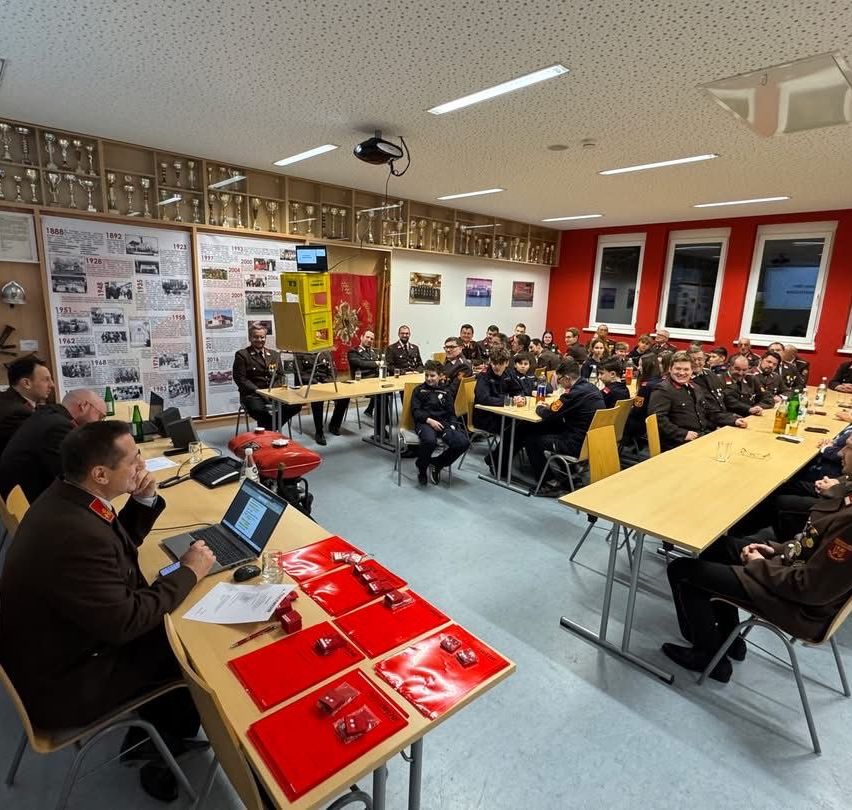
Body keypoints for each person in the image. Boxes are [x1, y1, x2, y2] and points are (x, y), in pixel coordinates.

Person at [0, 421, 216, 800]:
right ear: (100, 474)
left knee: (166, 620)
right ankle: (158, 753)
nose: (142, 465)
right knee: (188, 654)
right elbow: (126, 621)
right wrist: (189, 572)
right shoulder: (75, 534)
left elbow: (113, 546)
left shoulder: (67, 497)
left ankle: (159, 728)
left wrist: (144, 501)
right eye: (133, 460)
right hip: (64, 686)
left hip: (54, 651)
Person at [662, 436, 852, 683]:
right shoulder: (847, 492)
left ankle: (708, 657)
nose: (840, 453)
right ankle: (730, 640)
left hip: (800, 606)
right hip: (791, 570)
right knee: (716, 549)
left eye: (849, 448)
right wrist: (774, 549)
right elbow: (809, 544)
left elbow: (809, 588)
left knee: (682, 571)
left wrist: (758, 564)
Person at [0, 388, 106, 501]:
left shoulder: (49, 416)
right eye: (100, 416)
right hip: (31, 502)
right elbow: (74, 475)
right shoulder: (58, 427)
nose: (100, 423)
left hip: (24, 493)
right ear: (83, 406)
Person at [520, 359, 605, 494]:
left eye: (559, 379)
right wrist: (552, 408)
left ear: (567, 378)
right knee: (554, 426)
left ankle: (549, 483)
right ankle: (571, 475)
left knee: (532, 440)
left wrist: (539, 407)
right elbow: (560, 409)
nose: (559, 383)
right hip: (591, 440)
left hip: (576, 444)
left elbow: (548, 414)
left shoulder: (573, 394)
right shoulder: (591, 387)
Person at [649, 351, 746, 451]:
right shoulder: (663, 390)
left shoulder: (695, 387)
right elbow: (657, 419)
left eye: (686, 369)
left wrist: (733, 420)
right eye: (678, 369)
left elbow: (710, 412)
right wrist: (683, 434)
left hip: (702, 437)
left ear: (692, 371)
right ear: (670, 369)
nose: (682, 373)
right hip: (678, 444)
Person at [411, 361, 470, 485]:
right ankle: (422, 468)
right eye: (427, 375)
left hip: (443, 423)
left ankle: (438, 463)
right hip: (425, 423)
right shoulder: (418, 390)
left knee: (463, 442)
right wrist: (429, 420)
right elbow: (416, 412)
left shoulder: (446, 391)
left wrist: (452, 426)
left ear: (440, 376)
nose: (429, 378)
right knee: (429, 441)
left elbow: (451, 413)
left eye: (432, 376)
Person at [233, 326, 299, 431]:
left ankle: (269, 430)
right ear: (250, 338)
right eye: (256, 337)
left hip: (273, 393)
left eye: (262, 337)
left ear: (265, 338)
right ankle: (272, 431)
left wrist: (273, 390)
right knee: (260, 411)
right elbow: (240, 379)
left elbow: (281, 375)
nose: (259, 340)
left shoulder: (274, 354)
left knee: (295, 405)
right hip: (253, 395)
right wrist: (259, 391)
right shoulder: (242, 355)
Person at [473, 346, 523, 472]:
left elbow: (518, 389)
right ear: (490, 361)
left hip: (503, 414)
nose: (496, 367)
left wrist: (519, 397)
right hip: (485, 417)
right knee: (513, 430)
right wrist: (508, 401)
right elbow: (484, 399)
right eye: (494, 363)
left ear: (506, 363)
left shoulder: (509, 373)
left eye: (500, 364)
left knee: (522, 427)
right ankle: (498, 462)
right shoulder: (483, 376)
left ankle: (494, 459)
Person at [0, 356, 55, 455]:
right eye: (46, 380)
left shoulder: (7, 400)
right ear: (26, 383)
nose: (52, 385)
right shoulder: (17, 413)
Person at [293, 351, 348, 443]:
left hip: (325, 384)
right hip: (309, 385)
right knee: (318, 400)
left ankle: (334, 425)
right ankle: (319, 432)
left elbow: (333, 371)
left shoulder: (325, 353)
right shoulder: (300, 353)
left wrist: (326, 383)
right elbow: (301, 374)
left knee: (344, 397)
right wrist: (316, 383)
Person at [624, 354, 662, 443]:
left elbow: (637, 410)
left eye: (641, 365)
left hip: (642, 424)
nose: (638, 368)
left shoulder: (646, 386)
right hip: (655, 422)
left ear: (648, 367)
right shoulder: (661, 380)